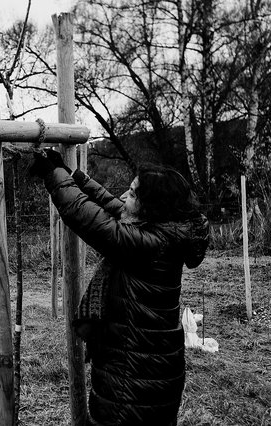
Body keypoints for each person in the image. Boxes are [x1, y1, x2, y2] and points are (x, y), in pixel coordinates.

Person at [30, 149, 209, 426]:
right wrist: (73, 174)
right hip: (151, 367)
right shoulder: (166, 232)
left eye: (134, 193)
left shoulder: (148, 244)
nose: (126, 196)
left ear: (153, 207)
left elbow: (85, 216)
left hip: (133, 380)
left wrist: (53, 174)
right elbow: (113, 205)